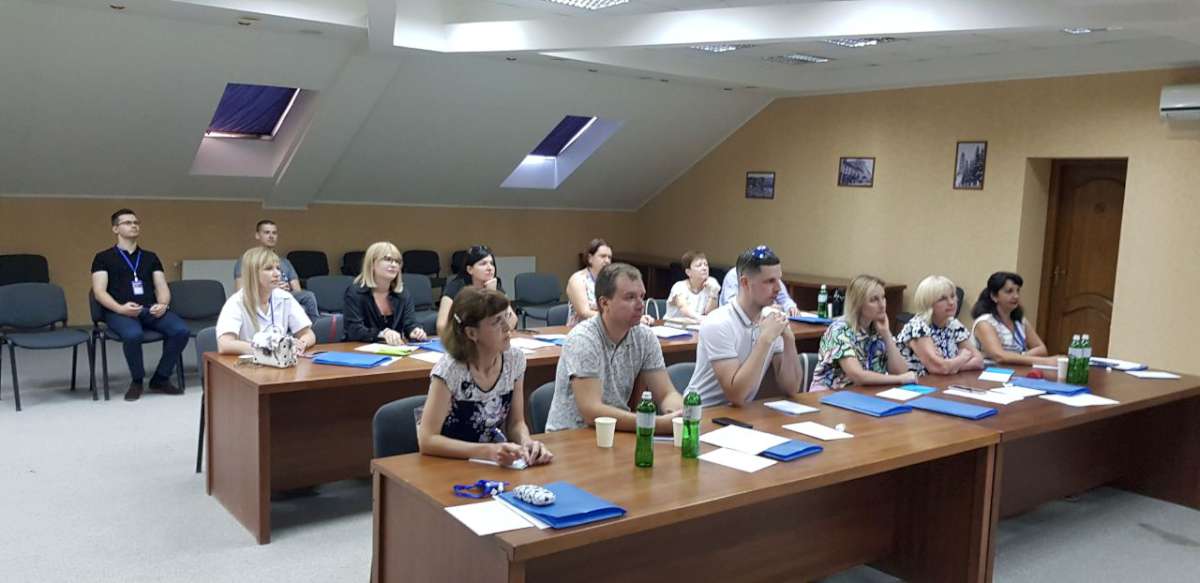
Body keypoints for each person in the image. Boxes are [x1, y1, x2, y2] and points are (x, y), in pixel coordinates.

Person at [417, 288, 552, 466]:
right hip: (449, 463)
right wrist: (487, 451)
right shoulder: (451, 370)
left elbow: (516, 423)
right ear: (472, 333)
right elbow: (427, 440)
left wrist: (526, 443)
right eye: (496, 321)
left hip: (491, 463)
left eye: (506, 316)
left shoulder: (514, 359)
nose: (507, 327)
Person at [545, 263, 683, 433]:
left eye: (641, 296)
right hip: (573, 434)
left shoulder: (645, 337)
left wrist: (680, 414)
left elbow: (666, 394)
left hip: (617, 431)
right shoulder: (583, 338)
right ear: (605, 303)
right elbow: (591, 411)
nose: (640, 304)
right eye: (630, 297)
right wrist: (656, 423)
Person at [90, 208, 189, 401]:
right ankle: (137, 380)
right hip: (119, 311)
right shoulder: (103, 257)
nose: (134, 225)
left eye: (136, 222)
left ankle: (160, 378)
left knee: (181, 331)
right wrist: (120, 309)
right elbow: (99, 292)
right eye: (128, 223)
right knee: (133, 335)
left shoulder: (150, 257)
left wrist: (163, 304)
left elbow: (161, 286)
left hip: (149, 309)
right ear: (115, 229)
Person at [686, 246, 802, 407]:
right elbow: (736, 395)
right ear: (745, 282)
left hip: (740, 413)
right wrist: (765, 340)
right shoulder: (718, 322)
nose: (778, 288)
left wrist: (789, 338)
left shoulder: (771, 319)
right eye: (770, 281)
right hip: (701, 413)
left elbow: (791, 388)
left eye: (779, 280)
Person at [809, 274, 916, 390]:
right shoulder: (839, 330)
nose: (882, 305)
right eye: (874, 299)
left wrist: (886, 334)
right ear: (858, 304)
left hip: (866, 393)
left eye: (883, 297)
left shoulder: (877, 329)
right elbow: (858, 376)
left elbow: (901, 371)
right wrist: (899, 379)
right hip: (829, 395)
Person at [216, 247, 316, 354]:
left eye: (278, 268)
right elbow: (224, 344)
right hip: (249, 362)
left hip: (279, 361)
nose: (277, 274)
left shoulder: (285, 298)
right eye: (269, 269)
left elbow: (308, 334)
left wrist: (301, 344)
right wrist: (266, 349)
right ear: (253, 273)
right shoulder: (235, 303)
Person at [895, 275, 983, 376]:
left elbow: (978, 361)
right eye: (942, 299)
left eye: (953, 296)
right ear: (928, 303)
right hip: (918, 382)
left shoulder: (953, 324)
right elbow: (938, 367)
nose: (951, 302)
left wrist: (951, 366)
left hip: (945, 380)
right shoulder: (917, 327)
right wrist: (961, 358)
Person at [343, 242, 428, 344]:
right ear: (372, 264)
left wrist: (414, 331)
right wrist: (381, 334)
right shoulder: (356, 292)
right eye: (387, 259)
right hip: (358, 349)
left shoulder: (402, 293)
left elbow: (409, 323)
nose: (394, 265)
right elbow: (353, 330)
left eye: (397, 261)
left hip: (393, 350)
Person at [233, 220, 320, 320]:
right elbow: (241, 290)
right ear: (257, 235)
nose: (271, 236)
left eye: (274, 233)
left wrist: (287, 288)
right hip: (261, 297)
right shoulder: (247, 260)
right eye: (267, 232)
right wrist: (270, 289)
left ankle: (315, 326)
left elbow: (297, 290)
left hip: (285, 296)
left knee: (308, 296)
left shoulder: (285, 262)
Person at [972, 271, 1059, 366]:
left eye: (1018, 291)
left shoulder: (1020, 321)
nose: (1016, 296)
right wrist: (1046, 361)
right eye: (1009, 291)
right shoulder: (984, 322)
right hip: (990, 371)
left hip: (1017, 368)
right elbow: (1000, 356)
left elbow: (1042, 349)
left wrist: (1019, 356)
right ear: (994, 296)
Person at [436, 245, 511, 338]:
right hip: (462, 339)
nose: (490, 268)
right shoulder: (455, 287)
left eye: (492, 263)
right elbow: (441, 326)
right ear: (470, 269)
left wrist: (492, 294)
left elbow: (512, 320)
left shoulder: (495, 286)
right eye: (483, 264)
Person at [718, 248, 801, 316]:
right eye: (770, 281)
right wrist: (765, 309)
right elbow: (731, 305)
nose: (778, 288)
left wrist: (790, 307)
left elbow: (784, 299)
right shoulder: (734, 275)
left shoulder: (770, 274)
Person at [664, 250, 721, 320]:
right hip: (673, 325)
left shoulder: (710, 286)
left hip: (697, 325)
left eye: (706, 265)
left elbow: (710, 314)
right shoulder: (679, 287)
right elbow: (684, 308)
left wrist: (714, 292)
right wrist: (702, 319)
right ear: (688, 272)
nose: (704, 268)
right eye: (699, 265)